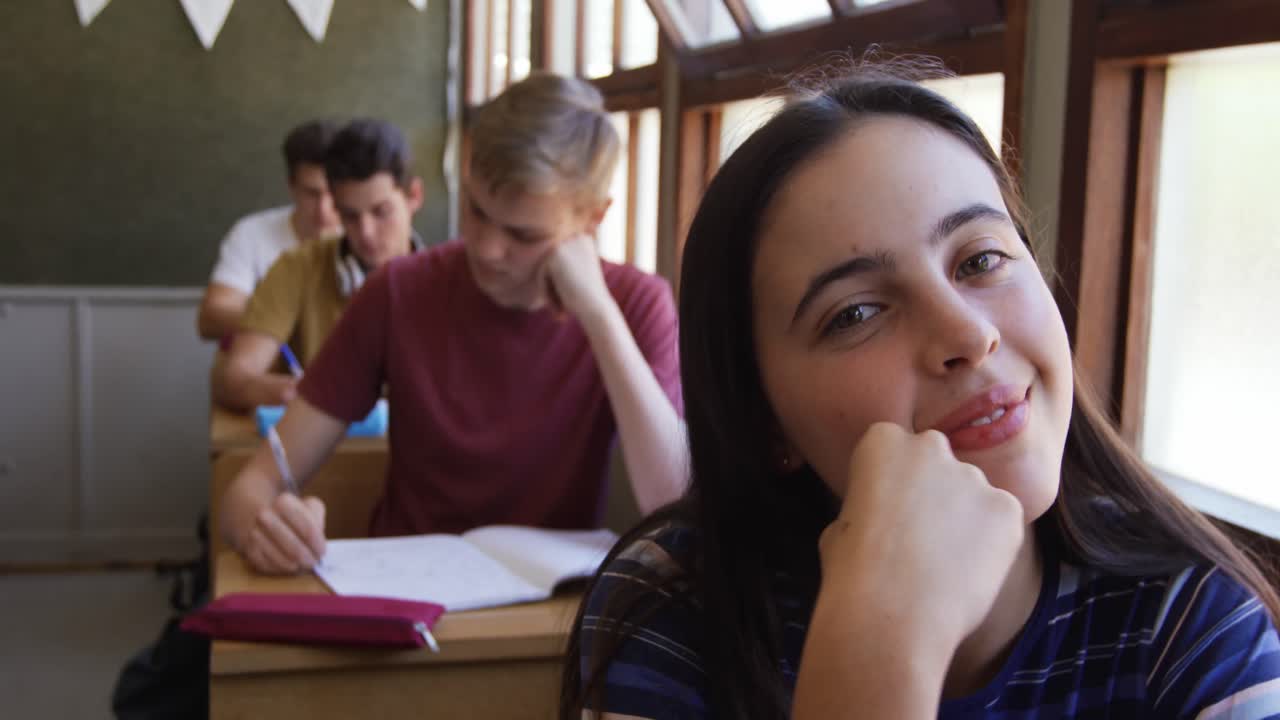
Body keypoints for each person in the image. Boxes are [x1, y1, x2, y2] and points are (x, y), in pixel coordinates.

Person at [563, 59, 1280, 719]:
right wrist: (880, 646)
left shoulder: (1187, 619)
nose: (967, 336)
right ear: (764, 421)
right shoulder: (677, 605)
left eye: (982, 259)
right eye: (856, 313)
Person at [220, 73, 686, 574]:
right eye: (476, 210)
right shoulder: (397, 291)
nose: (486, 249)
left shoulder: (635, 304)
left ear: (593, 219)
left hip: (546, 615)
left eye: (524, 235)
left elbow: (672, 501)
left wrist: (597, 313)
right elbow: (247, 491)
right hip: (407, 595)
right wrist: (266, 527)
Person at [212, 118, 425, 411]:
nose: (366, 232)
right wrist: (306, 393)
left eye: (381, 212)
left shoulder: (447, 279)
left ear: (414, 197)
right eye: (350, 215)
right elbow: (234, 379)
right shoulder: (297, 267)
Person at [197, 120, 342, 341]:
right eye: (312, 193)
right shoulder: (251, 233)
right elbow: (211, 318)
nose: (324, 208)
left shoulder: (368, 237)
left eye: (333, 192)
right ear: (291, 186)